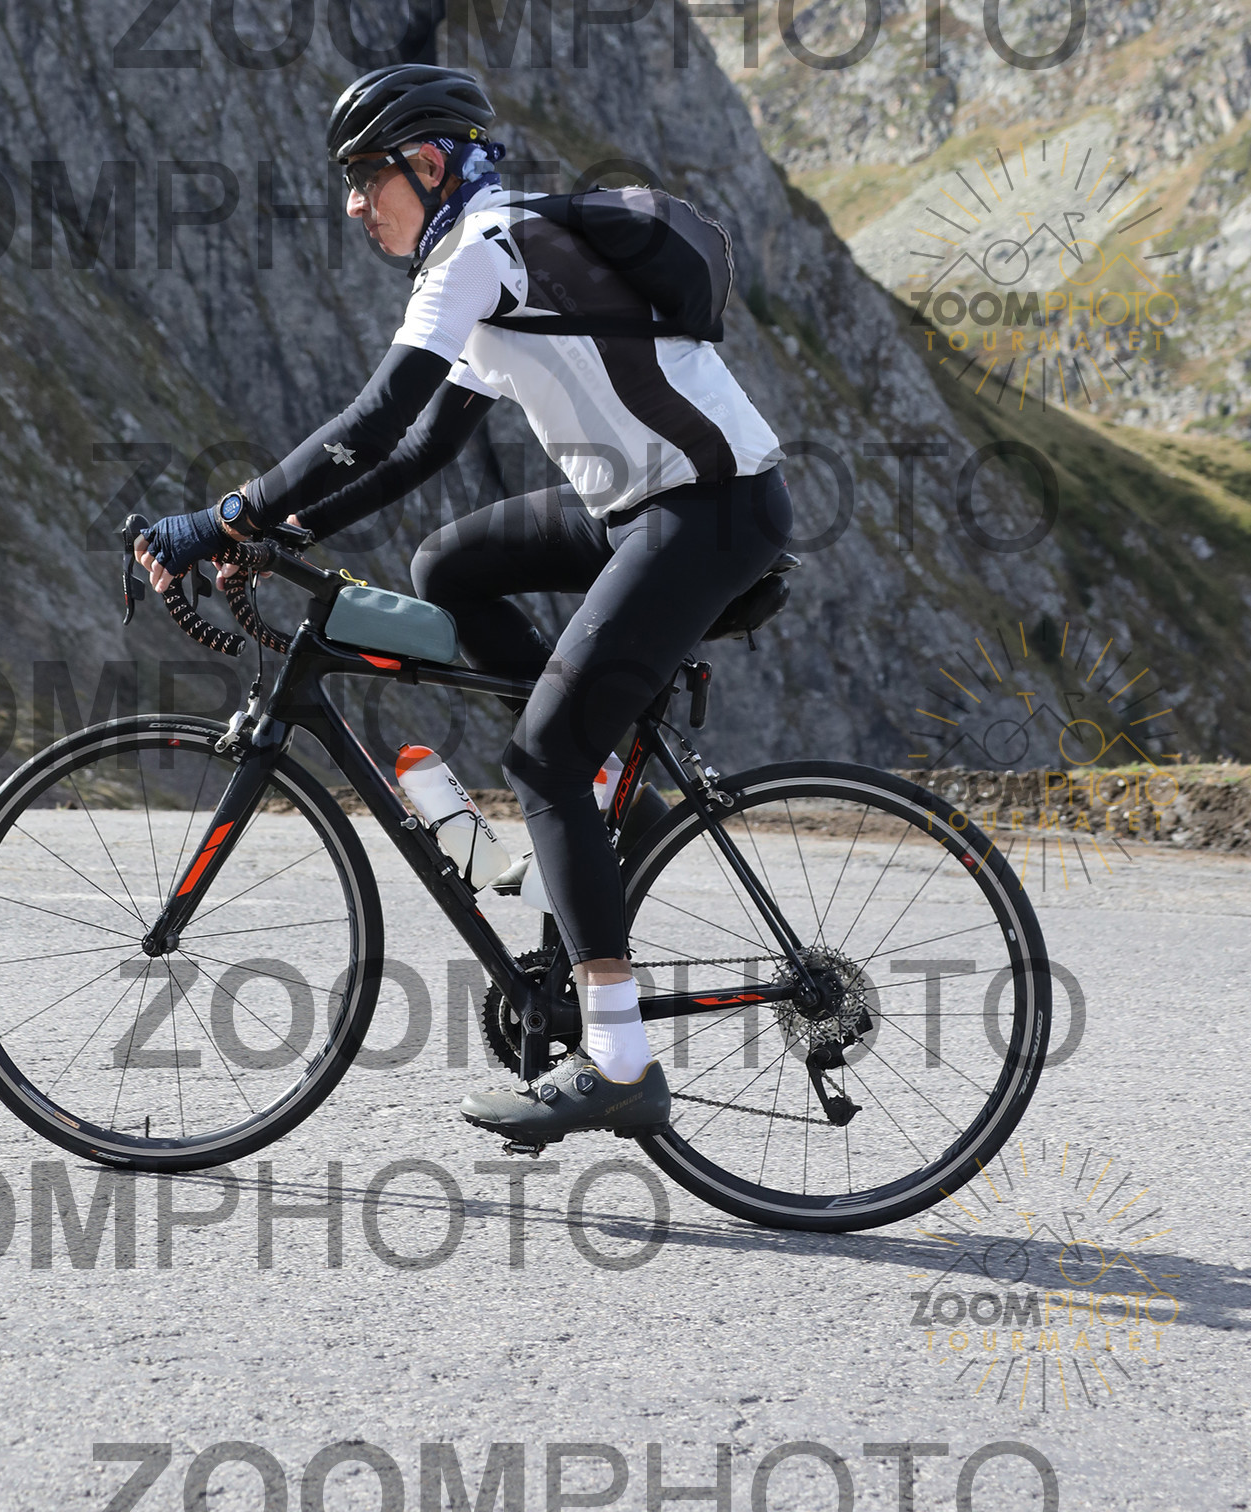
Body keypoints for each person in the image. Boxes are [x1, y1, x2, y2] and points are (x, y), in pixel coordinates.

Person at [136, 64, 792, 1146]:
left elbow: (374, 419)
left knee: (540, 762)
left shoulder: (480, 250)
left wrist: (221, 517)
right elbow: (418, 452)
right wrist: (276, 534)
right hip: (648, 504)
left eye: (366, 177)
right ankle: (610, 790)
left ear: (429, 162)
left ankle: (619, 1061)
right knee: (448, 565)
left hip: (708, 511)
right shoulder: (496, 248)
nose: (354, 205)